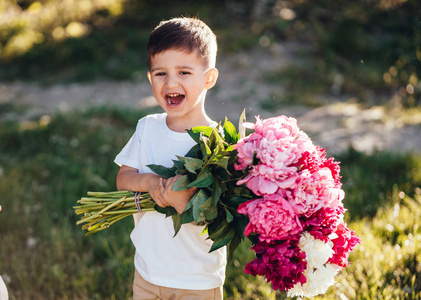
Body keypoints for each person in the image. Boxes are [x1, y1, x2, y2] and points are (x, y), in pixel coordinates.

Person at [114, 17, 226, 300]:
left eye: (184, 72)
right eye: (160, 73)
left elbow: (223, 218)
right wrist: (150, 182)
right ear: (150, 78)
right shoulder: (147, 127)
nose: (171, 82)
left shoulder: (219, 143)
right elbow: (123, 179)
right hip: (148, 272)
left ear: (208, 78)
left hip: (197, 280)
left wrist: (188, 206)